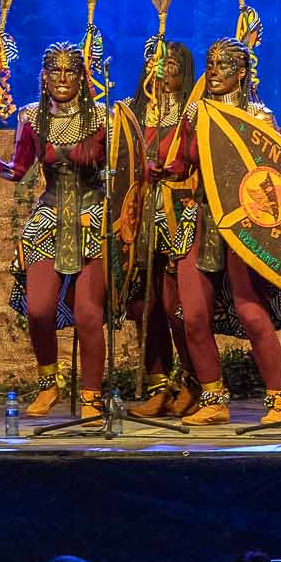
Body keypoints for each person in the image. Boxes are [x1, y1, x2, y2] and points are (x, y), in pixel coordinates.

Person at [151, 37, 281, 427]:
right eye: (210, 64)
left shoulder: (260, 116)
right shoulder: (195, 113)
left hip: (245, 222)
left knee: (251, 312)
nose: (213, 72)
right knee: (191, 314)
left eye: (223, 65)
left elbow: (275, 174)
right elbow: (182, 162)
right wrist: (164, 171)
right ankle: (213, 398)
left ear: (243, 72)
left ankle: (279, 399)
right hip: (202, 218)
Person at [0, 43, 109, 417]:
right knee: (38, 309)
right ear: (44, 77)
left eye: (70, 72)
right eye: (55, 71)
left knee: (88, 313)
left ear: (83, 76)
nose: (63, 79)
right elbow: (18, 171)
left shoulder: (102, 118)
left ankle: (91, 395)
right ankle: (47, 382)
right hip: (49, 217)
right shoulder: (32, 118)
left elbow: (120, 171)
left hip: (90, 217)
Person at [123, 39, 201, 417]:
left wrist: (168, 172)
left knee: (175, 305)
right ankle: (157, 385)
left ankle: (190, 380)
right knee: (142, 304)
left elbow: (194, 162)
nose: (162, 68)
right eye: (155, 61)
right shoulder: (133, 112)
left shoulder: (191, 113)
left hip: (177, 214)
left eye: (170, 62)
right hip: (138, 217)